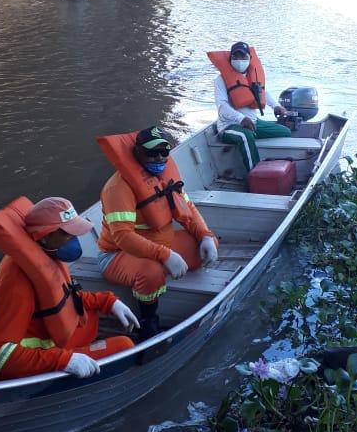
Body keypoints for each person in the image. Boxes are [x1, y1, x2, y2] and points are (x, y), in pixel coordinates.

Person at [0, 196, 139, 381]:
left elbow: (64, 296)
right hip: (23, 363)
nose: (74, 240)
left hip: (46, 339)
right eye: (67, 234)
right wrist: (64, 361)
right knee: (124, 346)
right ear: (45, 236)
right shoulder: (17, 285)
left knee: (92, 318)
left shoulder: (46, 254)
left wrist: (108, 301)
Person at [96, 127, 219, 341]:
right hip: (117, 255)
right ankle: (148, 324)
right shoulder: (117, 188)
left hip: (161, 245)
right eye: (152, 153)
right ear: (137, 153)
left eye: (164, 152)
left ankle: (167, 267)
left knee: (207, 244)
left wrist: (205, 235)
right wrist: (165, 256)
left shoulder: (165, 177)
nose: (159, 157)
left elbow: (189, 212)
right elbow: (123, 237)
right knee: (151, 272)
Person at [208, 41, 291, 172]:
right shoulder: (220, 80)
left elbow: (263, 93)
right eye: (236, 57)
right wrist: (241, 119)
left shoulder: (253, 76)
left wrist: (275, 106)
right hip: (229, 126)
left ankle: (269, 162)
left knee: (285, 131)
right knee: (245, 136)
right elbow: (222, 107)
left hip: (253, 123)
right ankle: (255, 175)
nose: (239, 60)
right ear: (231, 59)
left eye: (243, 57)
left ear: (250, 59)